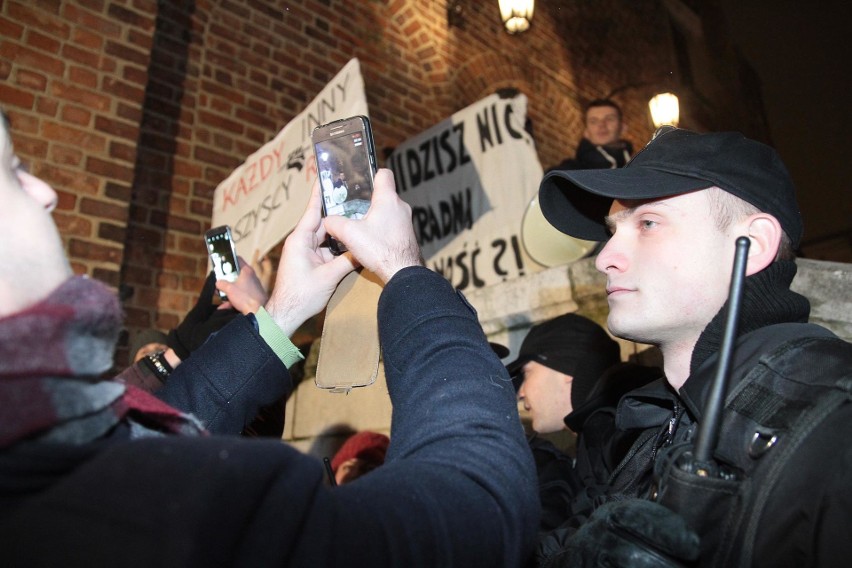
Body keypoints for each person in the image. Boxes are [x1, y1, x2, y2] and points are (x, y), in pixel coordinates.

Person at [0, 111, 538, 567]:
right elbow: (478, 505)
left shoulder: (43, 450)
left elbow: (163, 419)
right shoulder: (155, 510)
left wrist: (281, 311)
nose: (44, 190)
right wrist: (404, 271)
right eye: (14, 169)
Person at [534, 126, 852, 566]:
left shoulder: (834, 423)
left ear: (754, 245)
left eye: (648, 223)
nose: (605, 257)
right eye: (612, 230)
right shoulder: (646, 426)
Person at [548, 99, 632, 172]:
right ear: (586, 132)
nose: (601, 125)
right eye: (593, 121)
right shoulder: (568, 174)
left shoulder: (638, 170)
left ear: (623, 127)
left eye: (609, 119)